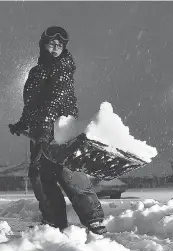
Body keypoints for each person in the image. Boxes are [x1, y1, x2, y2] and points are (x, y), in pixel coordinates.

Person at [9, 26, 107, 234]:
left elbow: (57, 99)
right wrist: (23, 123)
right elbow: (32, 104)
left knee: (68, 171)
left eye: (59, 46)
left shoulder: (62, 67)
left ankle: (93, 218)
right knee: (42, 176)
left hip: (58, 128)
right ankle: (54, 219)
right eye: (51, 45)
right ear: (43, 45)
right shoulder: (38, 71)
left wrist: (46, 124)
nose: (55, 49)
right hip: (40, 131)